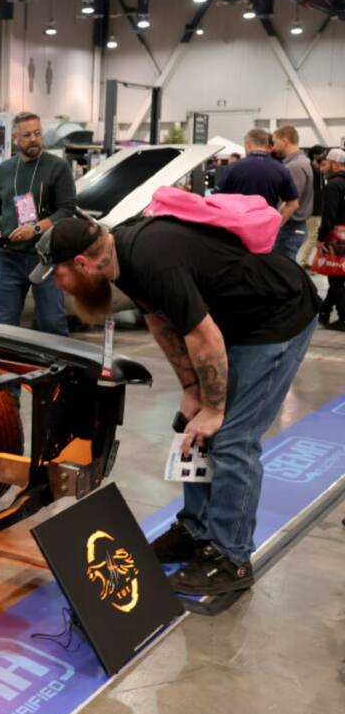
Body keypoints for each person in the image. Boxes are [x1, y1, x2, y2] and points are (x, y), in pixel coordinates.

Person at [36, 212, 319, 595]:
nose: (57, 283)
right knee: (194, 428)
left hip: (278, 316)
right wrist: (192, 389)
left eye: (58, 274)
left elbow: (205, 337)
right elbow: (160, 319)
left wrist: (215, 409)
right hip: (236, 321)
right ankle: (195, 528)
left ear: (82, 263)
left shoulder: (153, 260)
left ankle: (230, 557)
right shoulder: (120, 254)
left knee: (234, 437)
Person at [0, 111, 75, 336]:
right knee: (3, 327)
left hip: (46, 258)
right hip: (9, 258)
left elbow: (67, 210)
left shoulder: (58, 167)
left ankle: (58, 368)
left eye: (37, 133)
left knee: (52, 323)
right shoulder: (4, 170)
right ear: (15, 138)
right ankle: (7, 369)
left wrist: (35, 229)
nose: (33, 139)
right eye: (26, 135)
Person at [216, 129, 299, 227]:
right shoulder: (281, 169)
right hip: (265, 230)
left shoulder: (232, 168)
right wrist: (275, 225)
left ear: (249, 145)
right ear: (267, 145)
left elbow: (217, 200)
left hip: (238, 230)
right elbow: (293, 204)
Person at [269, 126, 314, 260]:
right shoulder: (302, 162)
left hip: (290, 227)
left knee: (282, 271)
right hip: (293, 227)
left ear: (284, 141)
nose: (273, 147)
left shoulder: (294, 166)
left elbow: (290, 203)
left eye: (275, 142)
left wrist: (274, 226)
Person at [317, 148, 345, 328]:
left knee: (335, 279)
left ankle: (343, 319)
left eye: (325, 163)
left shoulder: (333, 185)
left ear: (335, 164)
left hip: (337, 236)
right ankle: (324, 311)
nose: (322, 167)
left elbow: (329, 216)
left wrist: (321, 239)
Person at [301, 145, 327, 267]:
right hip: (314, 209)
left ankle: (305, 261)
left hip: (316, 208)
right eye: (323, 154)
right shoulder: (313, 170)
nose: (325, 157)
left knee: (311, 236)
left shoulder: (316, 170)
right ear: (316, 156)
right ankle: (303, 262)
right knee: (313, 237)